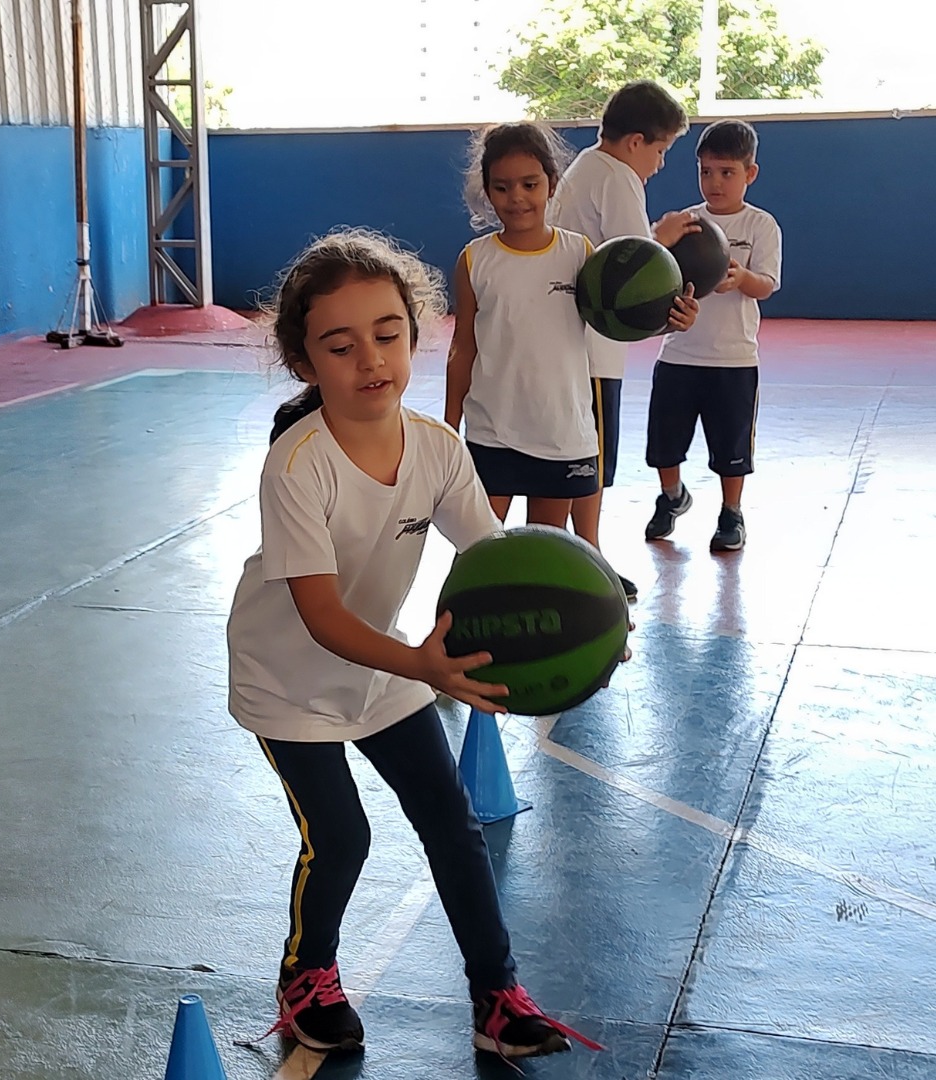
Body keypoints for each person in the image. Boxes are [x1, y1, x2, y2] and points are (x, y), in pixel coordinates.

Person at [227, 228, 602, 1061]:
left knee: (452, 823)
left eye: (388, 334)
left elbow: (496, 557)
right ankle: (306, 980)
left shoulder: (434, 446)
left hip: (384, 663)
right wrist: (427, 669)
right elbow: (321, 617)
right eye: (341, 343)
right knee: (344, 837)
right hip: (289, 681)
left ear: (416, 332)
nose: (371, 359)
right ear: (304, 361)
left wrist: (592, 609)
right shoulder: (298, 467)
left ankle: (496, 997)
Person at [445, 120, 699, 550]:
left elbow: (617, 321)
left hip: (559, 433)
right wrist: (450, 429)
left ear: (552, 183)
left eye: (530, 183)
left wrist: (670, 319)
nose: (517, 198)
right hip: (491, 432)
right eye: (502, 187)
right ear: (487, 191)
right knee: (478, 551)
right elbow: (462, 349)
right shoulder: (475, 261)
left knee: (546, 552)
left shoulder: (580, 254)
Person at [551, 80, 699, 600]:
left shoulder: (586, 168)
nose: (659, 164)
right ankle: (589, 558)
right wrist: (668, 259)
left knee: (577, 456)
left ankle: (577, 553)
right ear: (635, 141)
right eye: (660, 150)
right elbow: (635, 265)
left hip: (575, 344)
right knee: (589, 458)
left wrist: (658, 235)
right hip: (593, 347)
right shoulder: (616, 177)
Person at [643, 119, 782, 552]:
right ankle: (672, 496)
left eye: (727, 173)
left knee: (731, 448)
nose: (715, 182)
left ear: (749, 174)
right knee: (664, 444)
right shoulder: (685, 224)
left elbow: (767, 285)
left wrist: (741, 277)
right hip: (680, 354)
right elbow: (654, 269)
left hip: (734, 361)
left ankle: (731, 513)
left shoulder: (761, 226)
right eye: (706, 172)